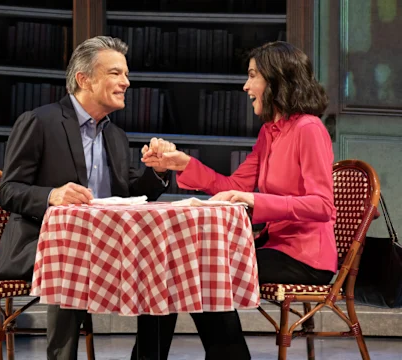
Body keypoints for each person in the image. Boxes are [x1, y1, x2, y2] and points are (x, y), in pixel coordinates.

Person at [141, 41, 337, 359]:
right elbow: (233, 186)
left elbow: (322, 205)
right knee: (174, 267)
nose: (246, 86)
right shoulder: (270, 133)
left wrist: (256, 200)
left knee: (201, 271)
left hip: (306, 259)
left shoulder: (309, 129)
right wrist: (182, 164)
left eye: (252, 76)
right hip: (274, 248)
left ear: (275, 80)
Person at [0, 36, 175, 360]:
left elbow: (129, 191)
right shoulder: (40, 122)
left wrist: (157, 171)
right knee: (70, 257)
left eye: (126, 74)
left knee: (162, 269)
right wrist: (52, 195)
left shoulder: (115, 134)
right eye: (115, 73)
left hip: (104, 244)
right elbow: (9, 190)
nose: (126, 82)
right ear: (83, 79)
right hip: (43, 245)